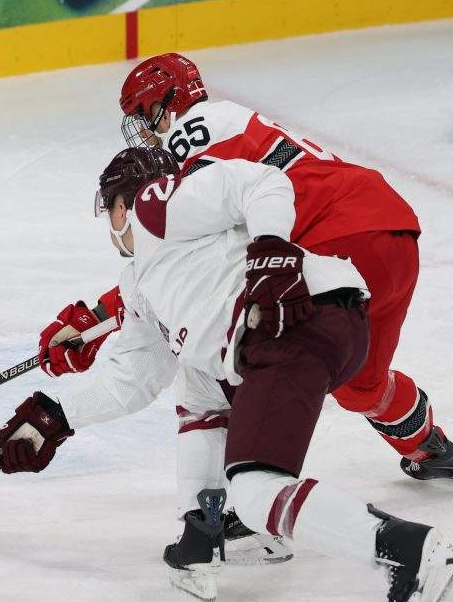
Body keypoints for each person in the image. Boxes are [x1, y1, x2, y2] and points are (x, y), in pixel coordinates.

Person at [0, 147, 452, 602]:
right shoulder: (144, 283)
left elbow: (264, 183)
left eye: (107, 209)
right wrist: (52, 419)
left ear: (121, 204)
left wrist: (271, 248)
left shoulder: (156, 202)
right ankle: (203, 532)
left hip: (292, 318)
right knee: (198, 380)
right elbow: (132, 378)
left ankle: (411, 552)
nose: (109, 223)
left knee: (254, 491)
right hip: (303, 328)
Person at [115, 53, 450, 480]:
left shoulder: (189, 135)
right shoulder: (237, 118)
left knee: (243, 354)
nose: (144, 132)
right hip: (392, 228)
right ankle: (430, 448)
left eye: (143, 115)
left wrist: (107, 312)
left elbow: (185, 260)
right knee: (361, 386)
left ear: (167, 104)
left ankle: (249, 490)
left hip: (335, 241)